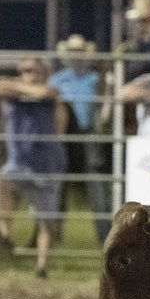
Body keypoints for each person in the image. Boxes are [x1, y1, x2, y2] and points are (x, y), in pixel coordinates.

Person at [0, 57, 67, 278]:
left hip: (47, 166)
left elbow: (48, 94)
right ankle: (4, 236)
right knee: (1, 183)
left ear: (44, 74)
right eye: (24, 70)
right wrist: (24, 89)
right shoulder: (11, 97)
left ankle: (41, 267)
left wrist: (28, 90)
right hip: (19, 164)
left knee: (46, 220)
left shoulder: (51, 94)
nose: (29, 75)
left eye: (34, 71)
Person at [48, 34, 113, 244]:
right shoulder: (57, 80)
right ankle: (51, 235)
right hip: (62, 137)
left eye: (79, 51)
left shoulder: (96, 80)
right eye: (72, 52)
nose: (76, 56)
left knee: (96, 185)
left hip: (89, 134)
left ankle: (104, 236)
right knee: (57, 186)